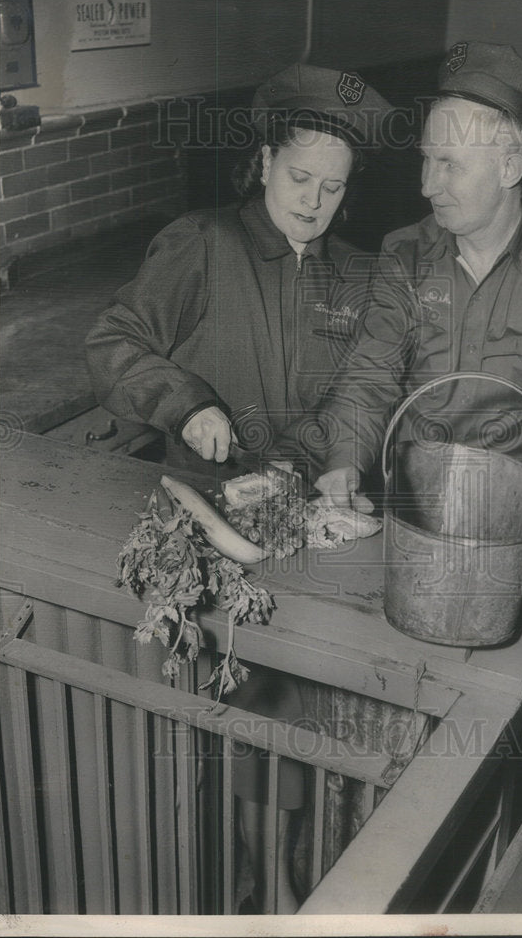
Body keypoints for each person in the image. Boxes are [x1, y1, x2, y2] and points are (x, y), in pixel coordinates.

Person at [85, 63, 393, 912]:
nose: (313, 202)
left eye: (333, 187)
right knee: (186, 712)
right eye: (299, 177)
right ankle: (184, 876)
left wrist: (296, 461)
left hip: (275, 519)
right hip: (181, 507)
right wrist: (184, 403)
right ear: (262, 162)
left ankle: (269, 869)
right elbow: (113, 342)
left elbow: (342, 402)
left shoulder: (356, 279)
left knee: (280, 701)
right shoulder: (204, 242)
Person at [311, 42, 522, 614]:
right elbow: (371, 373)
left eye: (449, 163)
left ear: (509, 168)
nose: (427, 184)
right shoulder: (405, 252)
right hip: (413, 507)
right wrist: (345, 460)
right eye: (426, 159)